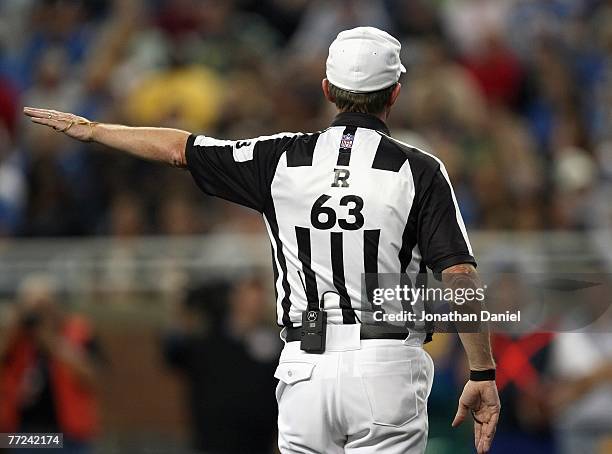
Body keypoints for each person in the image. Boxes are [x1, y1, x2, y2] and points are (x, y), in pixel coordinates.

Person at [24, 26, 500, 454]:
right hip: (385, 366)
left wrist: (95, 130)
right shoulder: (418, 170)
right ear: (394, 93)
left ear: (327, 90)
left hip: (303, 368)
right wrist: (482, 371)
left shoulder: (278, 159)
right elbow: (458, 277)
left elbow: (178, 148)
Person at [162, 278, 281, 454]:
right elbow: (173, 354)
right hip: (211, 441)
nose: (252, 308)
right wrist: (184, 311)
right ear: (235, 300)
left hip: (258, 442)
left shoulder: (273, 344)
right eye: (247, 300)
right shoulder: (208, 339)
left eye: (258, 302)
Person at [0, 275, 101, 454]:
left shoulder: (76, 331)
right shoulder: (17, 339)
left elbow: (92, 376)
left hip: (69, 433)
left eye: (43, 305)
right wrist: (15, 326)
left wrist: (50, 340)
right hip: (24, 432)